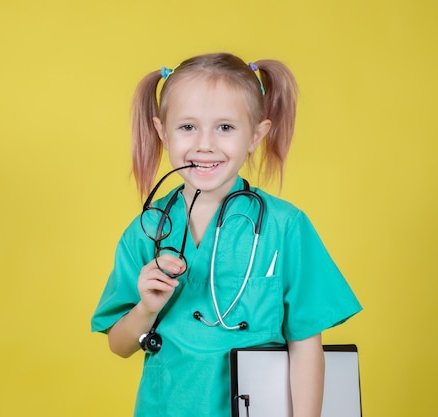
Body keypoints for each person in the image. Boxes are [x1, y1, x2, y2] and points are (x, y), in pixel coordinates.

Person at [91, 52, 362, 417]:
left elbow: (306, 345)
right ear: (162, 133)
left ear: (256, 135)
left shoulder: (285, 226)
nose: (205, 144)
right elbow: (119, 345)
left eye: (225, 127)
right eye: (188, 127)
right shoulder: (147, 232)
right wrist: (146, 307)